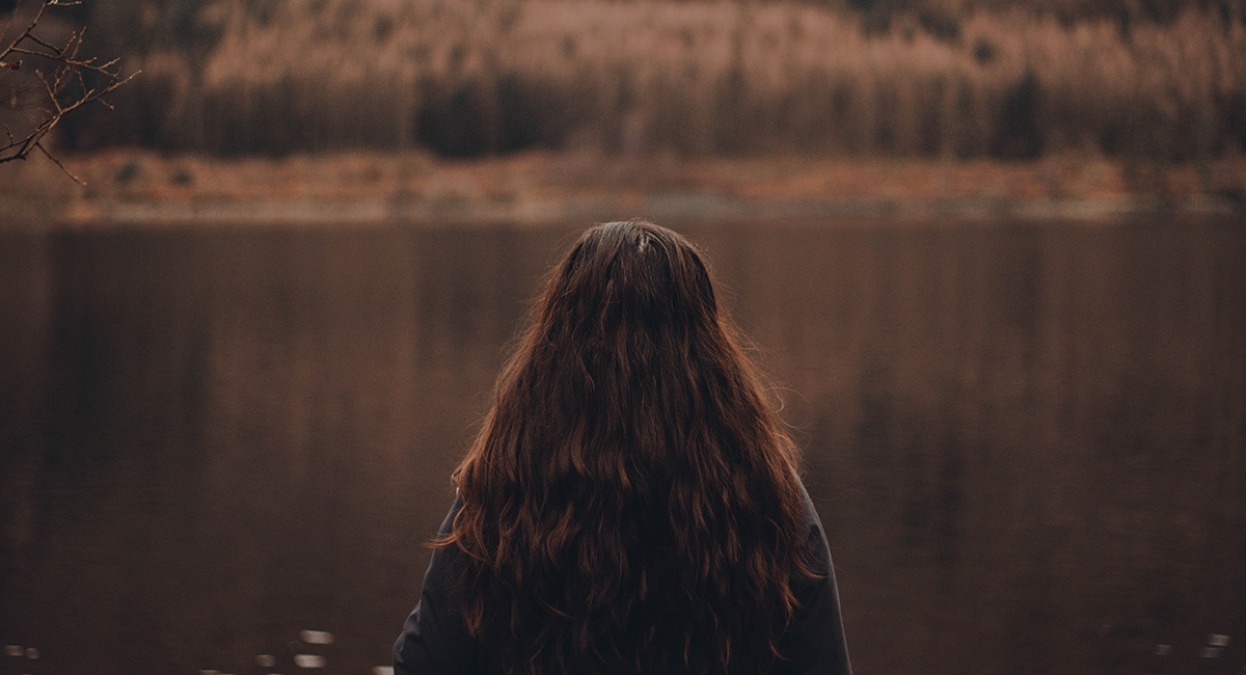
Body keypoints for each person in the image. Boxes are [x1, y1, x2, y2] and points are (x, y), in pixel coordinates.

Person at [394, 219, 850, 675]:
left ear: (555, 343)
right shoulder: (765, 493)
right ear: (708, 348)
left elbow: (423, 663)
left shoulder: (505, 488)